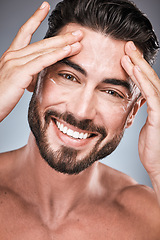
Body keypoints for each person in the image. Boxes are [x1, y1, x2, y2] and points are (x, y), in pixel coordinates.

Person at [0, 0, 160, 238]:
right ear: (33, 75)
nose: (82, 111)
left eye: (111, 92)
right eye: (69, 76)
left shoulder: (150, 217)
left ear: (133, 112)